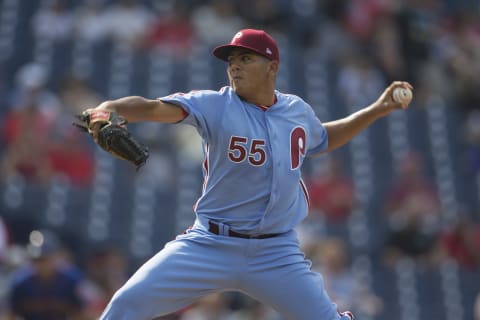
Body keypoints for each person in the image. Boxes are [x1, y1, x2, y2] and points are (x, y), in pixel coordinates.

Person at [83, 29, 413, 320]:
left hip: (276, 252)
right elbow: (153, 107)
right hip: (210, 243)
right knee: (126, 305)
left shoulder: (296, 111)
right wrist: (110, 107)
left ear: (272, 67)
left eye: (245, 58)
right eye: (230, 61)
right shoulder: (215, 105)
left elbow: (324, 138)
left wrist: (377, 109)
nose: (234, 66)